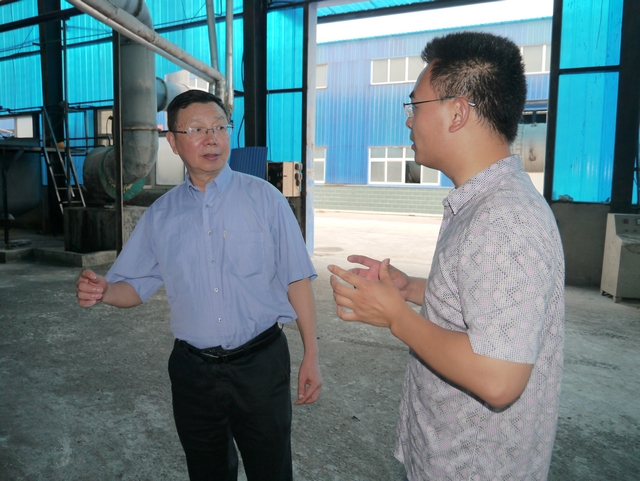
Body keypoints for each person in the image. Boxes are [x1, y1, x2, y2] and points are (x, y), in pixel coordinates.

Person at [328, 31, 564, 481]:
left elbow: (498, 377)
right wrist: (412, 289)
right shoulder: (482, 202)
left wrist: (396, 317)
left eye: (415, 106)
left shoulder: (503, 219)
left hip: (472, 468)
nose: (408, 120)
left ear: (457, 112)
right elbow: (487, 304)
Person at [76, 89, 322, 481]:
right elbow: (134, 287)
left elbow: (297, 279)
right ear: (173, 142)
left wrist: (311, 353)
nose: (212, 139)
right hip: (194, 373)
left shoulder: (265, 199)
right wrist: (104, 290)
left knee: (271, 469)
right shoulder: (161, 216)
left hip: (260, 364)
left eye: (220, 127)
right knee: (207, 471)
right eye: (196, 129)